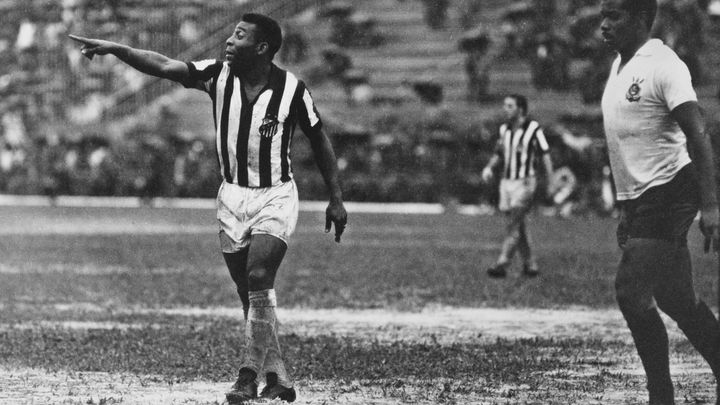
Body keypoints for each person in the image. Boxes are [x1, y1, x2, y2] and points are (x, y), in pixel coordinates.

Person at [70, 12, 348, 404]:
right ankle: (278, 378)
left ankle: (247, 377)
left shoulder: (293, 91)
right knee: (249, 293)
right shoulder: (217, 75)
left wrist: (336, 198)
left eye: (239, 36)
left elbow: (320, 140)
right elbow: (165, 65)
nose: (229, 42)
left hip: (275, 194)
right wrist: (119, 49)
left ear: (262, 48)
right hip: (232, 197)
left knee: (258, 274)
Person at [599, 0, 720, 403]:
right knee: (676, 299)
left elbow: (698, 135)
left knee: (630, 291)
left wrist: (711, 205)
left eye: (613, 16)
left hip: (671, 190)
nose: (603, 24)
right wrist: (626, 208)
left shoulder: (664, 64)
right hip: (642, 200)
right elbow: (629, 143)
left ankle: (661, 395)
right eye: (603, 15)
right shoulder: (619, 67)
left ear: (638, 19)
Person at [481, 94, 553, 278]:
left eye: (510, 106)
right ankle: (530, 265)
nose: (505, 109)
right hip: (506, 182)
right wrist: (489, 167)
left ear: (520, 109)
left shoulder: (533, 128)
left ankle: (502, 263)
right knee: (518, 225)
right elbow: (499, 152)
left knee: (513, 224)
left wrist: (550, 181)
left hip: (525, 182)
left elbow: (545, 155)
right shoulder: (504, 129)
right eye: (505, 105)